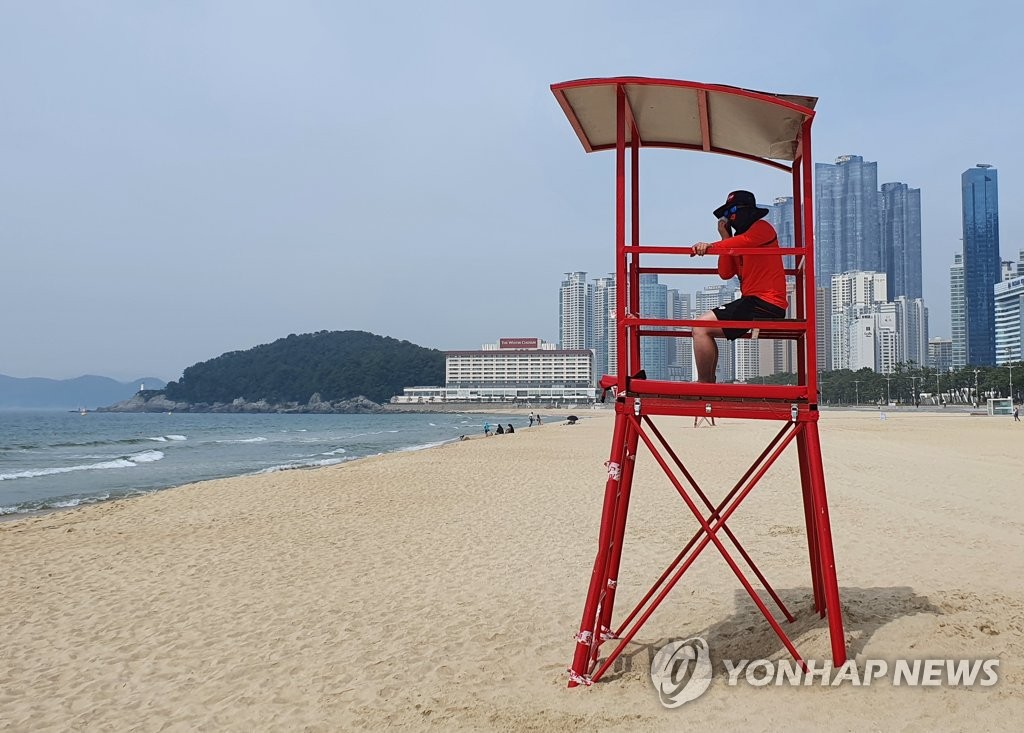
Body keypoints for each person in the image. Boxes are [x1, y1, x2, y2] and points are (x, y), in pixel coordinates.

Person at [691, 191, 788, 383]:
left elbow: (744, 242)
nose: (730, 216)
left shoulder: (762, 228)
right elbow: (725, 272)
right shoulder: (737, 241)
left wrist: (710, 246)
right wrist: (725, 235)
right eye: (727, 213)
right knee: (703, 328)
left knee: (700, 327)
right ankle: (707, 384)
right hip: (753, 301)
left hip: (766, 302)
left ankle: (704, 385)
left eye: (733, 211)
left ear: (748, 211)